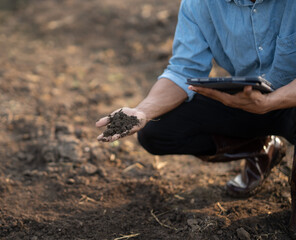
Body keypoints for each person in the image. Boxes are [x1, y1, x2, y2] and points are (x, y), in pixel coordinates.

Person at [96, 0, 296, 232]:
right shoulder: (199, 4)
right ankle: (263, 147)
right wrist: (143, 111)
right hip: (248, 98)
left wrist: (272, 102)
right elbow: (183, 70)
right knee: (158, 131)